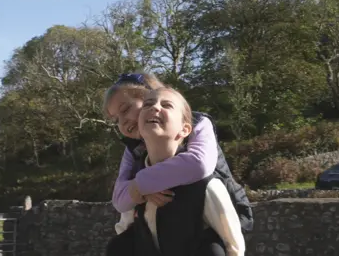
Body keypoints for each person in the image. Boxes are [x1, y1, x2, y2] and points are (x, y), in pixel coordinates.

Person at [103, 73, 253, 234]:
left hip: (223, 219)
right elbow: (119, 199)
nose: (122, 121)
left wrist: (142, 185)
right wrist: (145, 193)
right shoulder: (132, 149)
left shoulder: (196, 123)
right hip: (176, 226)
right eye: (116, 120)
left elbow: (199, 164)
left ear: (150, 97)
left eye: (125, 109)